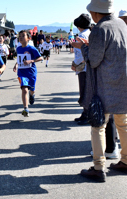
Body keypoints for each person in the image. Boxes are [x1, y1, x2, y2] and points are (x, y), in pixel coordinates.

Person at [73, 0, 127, 182]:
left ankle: (98, 167)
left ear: (95, 13)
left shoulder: (99, 29)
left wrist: (84, 47)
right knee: (123, 124)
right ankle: (126, 161)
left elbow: (94, 60)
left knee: (98, 126)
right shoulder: (121, 23)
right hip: (124, 82)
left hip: (105, 84)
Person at [13, 30, 42, 117]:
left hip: (31, 72)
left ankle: (32, 95)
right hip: (22, 72)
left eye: (23, 36)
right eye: (19, 36)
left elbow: (40, 58)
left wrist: (31, 60)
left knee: (32, 89)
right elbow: (19, 59)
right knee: (24, 89)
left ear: (28, 38)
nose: (20, 37)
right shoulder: (18, 49)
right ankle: (26, 108)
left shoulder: (32, 48)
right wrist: (16, 65)